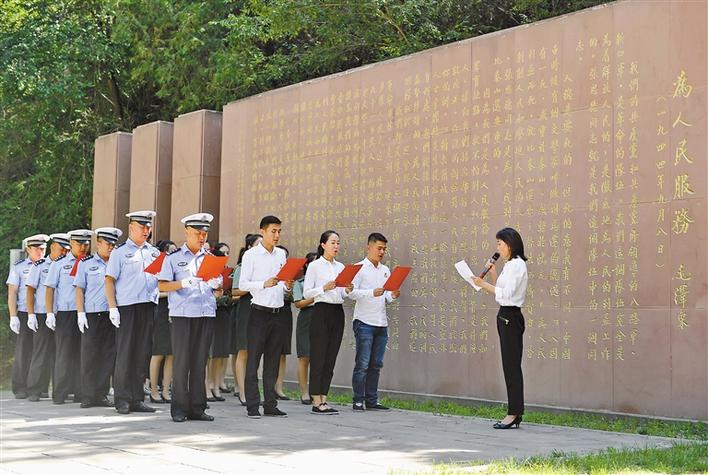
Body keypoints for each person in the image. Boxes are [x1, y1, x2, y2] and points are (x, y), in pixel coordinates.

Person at [158, 213, 221, 422]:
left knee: (199, 362)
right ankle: (179, 408)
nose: (202, 237)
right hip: (183, 315)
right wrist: (183, 283)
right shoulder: (173, 258)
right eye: (197, 233)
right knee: (182, 363)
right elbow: (162, 285)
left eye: (204, 234)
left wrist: (217, 286)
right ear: (187, 232)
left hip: (205, 313)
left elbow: (218, 290)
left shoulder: (211, 258)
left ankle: (197, 408)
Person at [105, 210, 160, 415]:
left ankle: (137, 398)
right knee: (125, 353)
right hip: (127, 307)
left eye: (148, 227)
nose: (146, 231)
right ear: (131, 228)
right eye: (142, 227)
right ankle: (122, 398)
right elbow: (109, 280)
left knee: (142, 353)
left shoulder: (153, 252)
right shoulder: (119, 252)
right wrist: (112, 307)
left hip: (148, 305)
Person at [473, 227, 528, 429]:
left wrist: (481, 284)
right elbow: (501, 292)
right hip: (505, 315)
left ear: (510, 244)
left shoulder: (517, 265)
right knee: (509, 365)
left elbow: (507, 295)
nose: (497, 248)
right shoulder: (510, 265)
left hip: (510, 317)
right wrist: (493, 274)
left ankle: (513, 413)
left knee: (511, 366)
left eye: (500, 244)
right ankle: (515, 411)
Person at [238, 216, 292, 418]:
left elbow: (282, 283)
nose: (277, 235)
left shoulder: (281, 254)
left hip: (278, 313)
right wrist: (263, 284)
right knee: (253, 360)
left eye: (279, 231)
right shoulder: (251, 255)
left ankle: (270, 404)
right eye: (273, 231)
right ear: (262, 231)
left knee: (273, 361)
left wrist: (286, 286)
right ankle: (252, 405)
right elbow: (243, 284)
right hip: (258, 313)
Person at [348, 233, 400, 411]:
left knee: (376, 364)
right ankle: (358, 399)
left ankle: (372, 400)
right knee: (362, 364)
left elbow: (387, 296)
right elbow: (351, 293)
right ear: (369, 247)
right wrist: (371, 292)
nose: (382, 252)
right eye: (379, 248)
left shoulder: (385, 270)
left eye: (384, 249)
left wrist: (393, 295)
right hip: (364, 321)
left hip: (381, 322)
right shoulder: (359, 268)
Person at [303, 230, 353, 415]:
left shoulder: (341, 267)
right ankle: (316, 401)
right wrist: (323, 288)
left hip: (337, 312)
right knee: (319, 357)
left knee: (331, 357)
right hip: (321, 311)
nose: (336, 246)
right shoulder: (315, 266)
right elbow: (306, 293)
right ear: (323, 245)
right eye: (333, 242)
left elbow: (341, 294)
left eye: (338, 243)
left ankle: (324, 398)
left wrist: (347, 290)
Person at [74, 227, 122, 408]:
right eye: (108, 244)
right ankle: (87, 395)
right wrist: (80, 313)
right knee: (89, 355)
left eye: (113, 245)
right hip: (92, 315)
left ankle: (101, 394)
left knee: (108, 355)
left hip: (112, 314)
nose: (111, 247)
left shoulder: (117, 262)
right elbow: (79, 289)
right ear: (99, 244)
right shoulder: (86, 263)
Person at [45, 229, 92, 404]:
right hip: (66, 313)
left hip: (86, 313)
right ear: (71, 243)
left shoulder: (90, 262)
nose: (83, 247)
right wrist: (50, 313)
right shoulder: (59, 264)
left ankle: (80, 391)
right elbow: (50, 289)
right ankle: (60, 392)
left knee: (83, 353)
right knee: (63, 353)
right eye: (79, 244)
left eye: (86, 244)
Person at [26, 233, 69, 401]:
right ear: (52, 247)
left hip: (62, 314)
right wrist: (31, 314)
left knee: (61, 354)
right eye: (61, 249)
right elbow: (31, 290)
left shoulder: (68, 265)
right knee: (41, 352)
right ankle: (35, 389)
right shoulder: (40, 266)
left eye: (66, 250)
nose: (64, 253)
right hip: (43, 314)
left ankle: (61, 390)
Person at [6, 234, 49, 398]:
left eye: (43, 249)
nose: (40, 252)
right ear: (28, 249)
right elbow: (12, 292)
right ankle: (20, 387)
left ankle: (39, 387)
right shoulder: (19, 267)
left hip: (43, 313)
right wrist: (13, 316)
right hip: (24, 312)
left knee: (42, 350)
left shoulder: (49, 265)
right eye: (37, 249)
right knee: (24, 349)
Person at [230, 233, 261, 405]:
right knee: (243, 351)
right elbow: (235, 291)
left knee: (255, 352)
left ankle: (253, 391)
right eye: (257, 245)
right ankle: (242, 392)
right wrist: (255, 285)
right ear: (249, 248)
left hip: (260, 309)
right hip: (245, 310)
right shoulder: (241, 267)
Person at [149, 239, 177, 404]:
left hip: (174, 310)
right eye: (170, 250)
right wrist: (172, 290)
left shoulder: (175, 267)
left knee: (171, 353)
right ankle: (154, 390)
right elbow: (154, 291)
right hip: (160, 310)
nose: (173, 254)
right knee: (158, 353)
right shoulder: (157, 266)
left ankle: (166, 390)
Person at [207, 242, 232, 402]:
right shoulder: (206, 273)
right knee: (208, 354)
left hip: (223, 314)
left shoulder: (223, 275)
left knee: (220, 353)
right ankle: (206, 386)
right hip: (209, 314)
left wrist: (224, 296)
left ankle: (216, 386)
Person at [292, 251, 318, 404]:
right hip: (306, 318)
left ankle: (316, 391)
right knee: (304, 357)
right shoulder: (300, 282)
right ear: (307, 265)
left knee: (318, 357)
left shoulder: (323, 282)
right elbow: (298, 303)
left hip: (320, 317)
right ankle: (304, 393)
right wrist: (315, 297)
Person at [274, 244, 292, 400]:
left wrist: (289, 287)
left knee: (283, 351)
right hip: (270, 309)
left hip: (285, 311)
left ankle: (279, 387)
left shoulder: (289, 274)